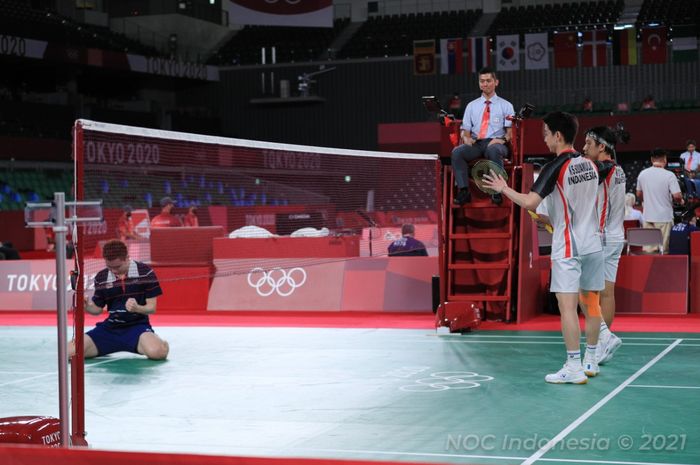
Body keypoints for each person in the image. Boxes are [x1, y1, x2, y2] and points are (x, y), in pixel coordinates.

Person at [483, 112, 604, 384]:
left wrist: (503, 188)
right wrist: (546, 218)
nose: (546, 140)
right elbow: (570, 206)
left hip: (569, 246)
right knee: (592, 304)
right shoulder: (590, 165)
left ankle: (574, 366)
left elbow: (529, 202)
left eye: (546, 134)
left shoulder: (555, 167)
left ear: (558, 135)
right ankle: (591, 360)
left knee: (568, 307)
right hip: (593, 245)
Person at [68, 239, 169, 360]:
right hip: (110, 329)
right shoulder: (102, 277)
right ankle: (108, 346)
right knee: (69, 352)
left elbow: (152, 308)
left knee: (158, 353)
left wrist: (137, 308)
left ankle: (161, 344)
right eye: (109, 267)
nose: (114, 271)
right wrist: (87, 305)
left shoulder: (145, 273)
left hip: (137, 328)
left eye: (117, 266)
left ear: (127, 258)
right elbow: (97, 309)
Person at [581, 126, 625, 365]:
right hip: (616, 238)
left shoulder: (604, 168)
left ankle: (603, 337)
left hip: (601, 238)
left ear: (602, 147)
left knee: (584, 293)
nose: (584, 148)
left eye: (588, 143)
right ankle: (599, 346)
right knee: (606, 293)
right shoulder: (618, 169)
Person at [452, 67, 515, 205]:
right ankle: (464, 191)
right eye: (482, 81)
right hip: (477, 144)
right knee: (457, 152)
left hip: (498, 143)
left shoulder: (506, 105)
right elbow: (466, 132)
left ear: (496, 82)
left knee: (493, 150)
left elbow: (510, 134)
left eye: (488, 81)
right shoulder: (471, 106)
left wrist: (501, 140)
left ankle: (497, 191)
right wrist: (467, 139)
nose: (485, 84)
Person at [636, 148, 684, 253]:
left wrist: (648, 199)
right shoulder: (669, 175)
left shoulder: (643, 174)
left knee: (649, 252)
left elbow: (638, 194)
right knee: (664, 251)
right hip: (664, 218)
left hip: (648, 216)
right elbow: (677, 196)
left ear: (652, 159)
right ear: (665, 160)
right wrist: (681, 201)